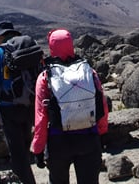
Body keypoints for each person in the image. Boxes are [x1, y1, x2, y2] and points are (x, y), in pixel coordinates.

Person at [31, 29, 109, 184]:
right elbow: (102, 103)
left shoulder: (45, 77)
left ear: (51, 46)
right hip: (89, 138)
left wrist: (38, 149)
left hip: (58, 141)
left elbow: (41, 116)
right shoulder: (88, 72)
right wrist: (101, 132)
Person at [0, 21, 37, 184]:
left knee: (17, 152)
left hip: (8, 108)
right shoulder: (29, 48)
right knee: (25, 147)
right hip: (28, 105)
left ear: (1, 36)